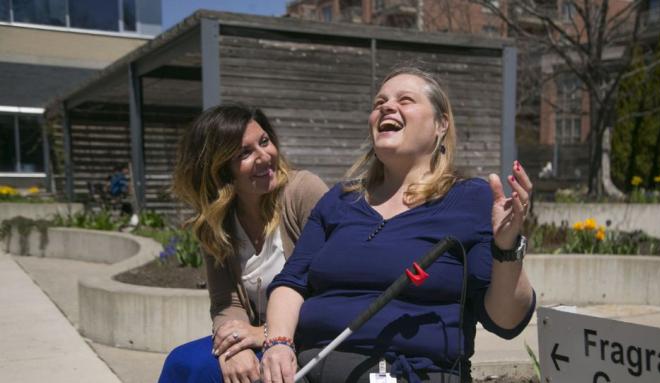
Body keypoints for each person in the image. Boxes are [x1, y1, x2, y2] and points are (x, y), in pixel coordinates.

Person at [258, 67, 536, 383]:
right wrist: (277, 344)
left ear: (441, 125)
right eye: (380, 103)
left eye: (405, 100)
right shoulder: (340, 199)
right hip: (310, 368)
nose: (387, 107)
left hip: (407, 372)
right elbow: (291, 282)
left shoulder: (471, 200)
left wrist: (507, 248)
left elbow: (507, 321)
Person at [158, 104, 328, 383]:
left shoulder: (303, 192)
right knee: (182, 363)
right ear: (220, 169)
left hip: (310, 340)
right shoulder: (216, 222)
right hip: (258, 342)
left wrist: (263, 334)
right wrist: (233, 347)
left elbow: (336, 290)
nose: (265, 156)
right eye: (245, 153)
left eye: (264, 142)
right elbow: (227, 302)